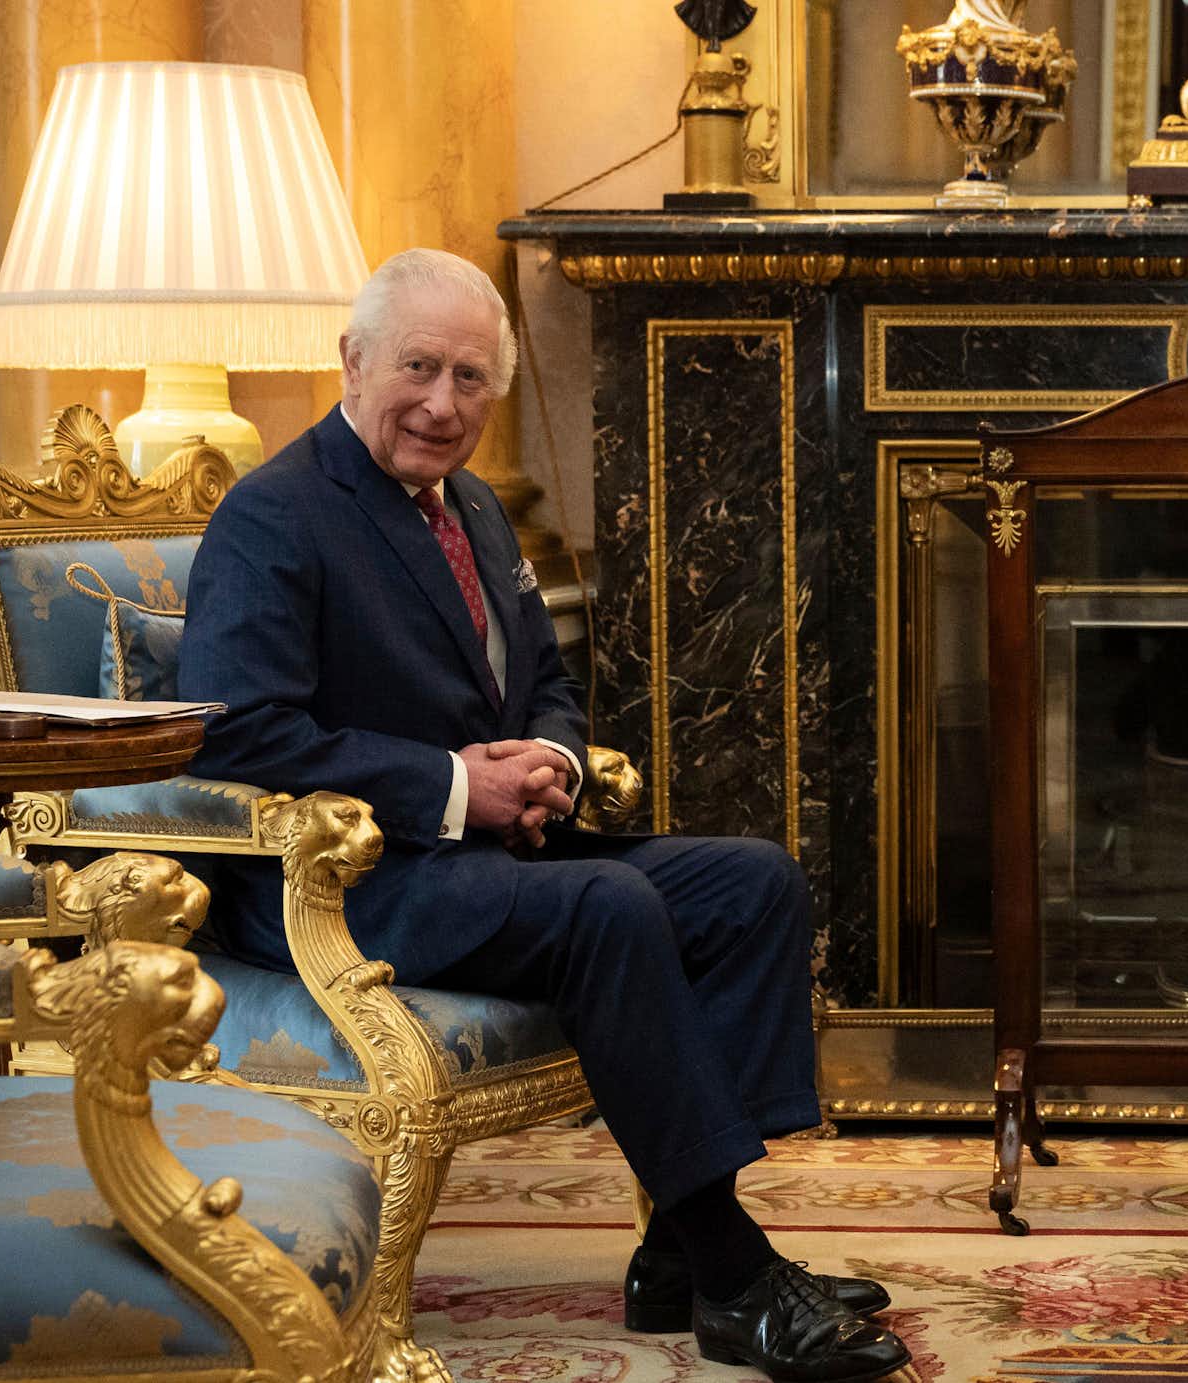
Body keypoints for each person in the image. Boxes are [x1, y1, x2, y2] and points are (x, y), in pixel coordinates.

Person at [178, 248, 909, 1383]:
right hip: (347, 883)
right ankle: (735, 1272)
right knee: (608, 903)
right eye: (419, 367)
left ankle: (677, 1251)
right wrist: (463, 786)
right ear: (354, 360)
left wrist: (555, 760)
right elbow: (239, 732)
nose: (442, 403)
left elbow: (546, 688)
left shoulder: (471, 505)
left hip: (485, 856)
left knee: (754, 879)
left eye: (472, 379)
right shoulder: (275, 513)